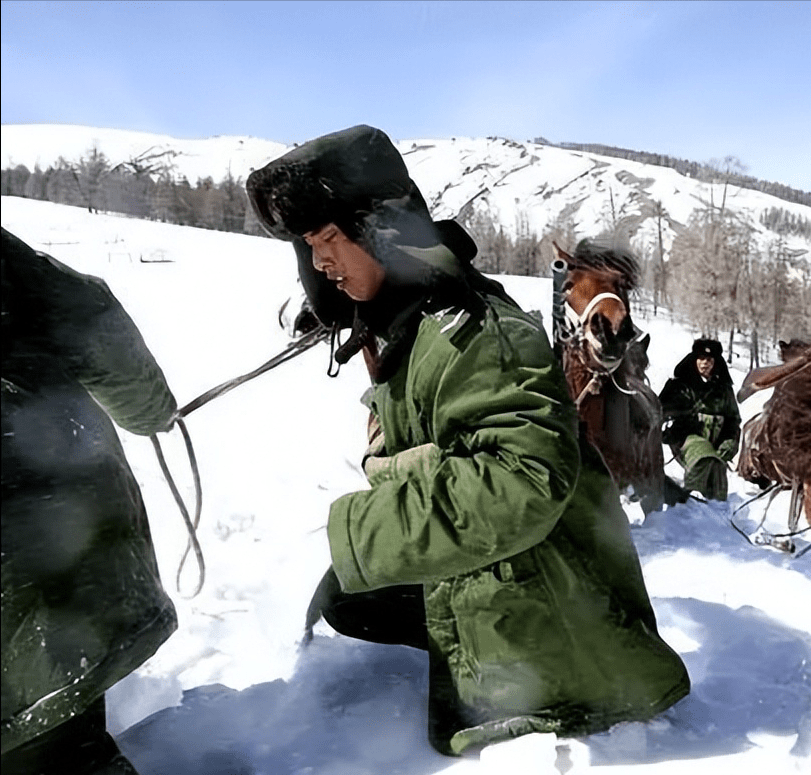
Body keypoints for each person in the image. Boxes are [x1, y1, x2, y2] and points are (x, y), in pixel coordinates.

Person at [245, 125, 689, 756]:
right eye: (308, 247)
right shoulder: (408, 323)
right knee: (350, 598)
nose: (319, 262)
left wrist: (361, 526)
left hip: (551, 591)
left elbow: (522, 482)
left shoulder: (483, 334)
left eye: (329, 239)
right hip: (507, 566)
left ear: (379, 230)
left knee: (358, 565)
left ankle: (537, 661)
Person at [1, 228, 179, 775]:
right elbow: (90, 316)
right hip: (70, 530)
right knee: (59, 716)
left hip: (35, 548)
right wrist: (151, 409)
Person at [659, 339, 741, 502]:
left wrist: (730, 443)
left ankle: (716, 511)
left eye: (709, 360)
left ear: (716, 362)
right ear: (694, 359)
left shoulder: (724, 389)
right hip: (687, 439)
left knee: (717, 470)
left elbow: (733, 421)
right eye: (701, 358)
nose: (705, 363)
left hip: (716, 442)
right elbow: (659, 412)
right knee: (704, 459)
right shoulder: (679, 385)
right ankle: (691, 502)